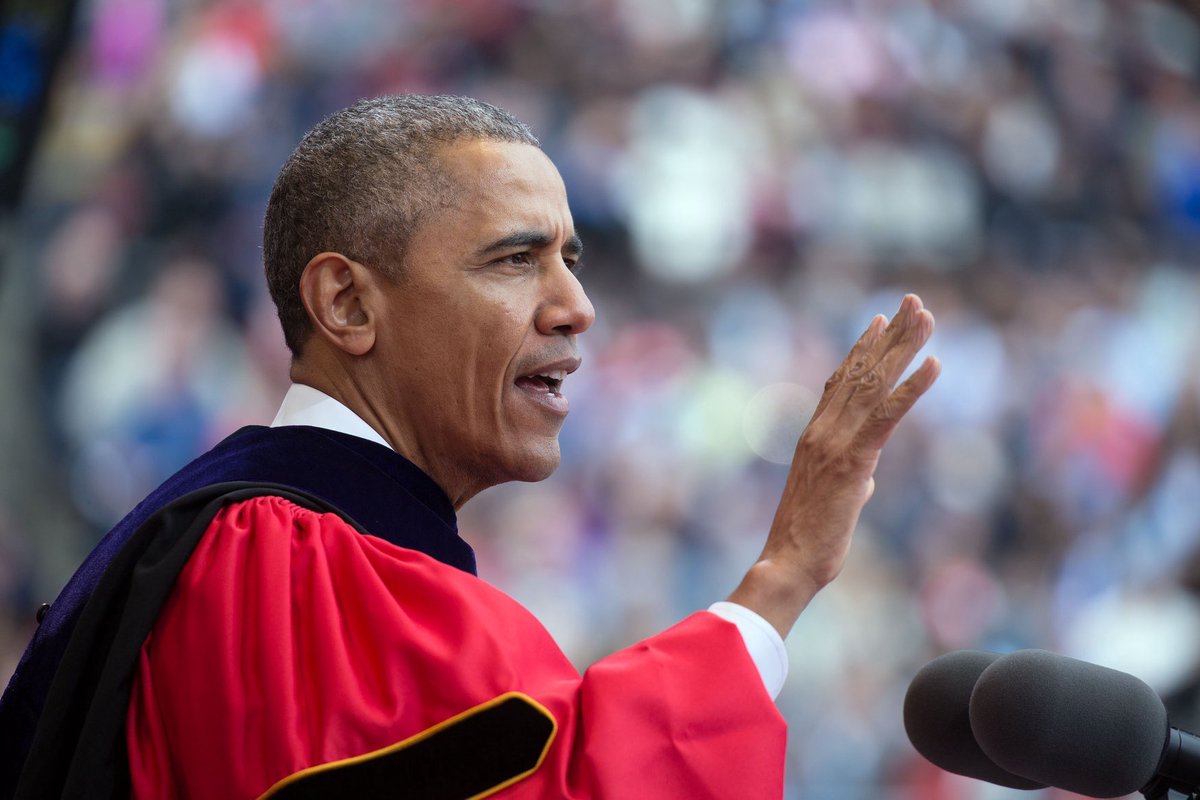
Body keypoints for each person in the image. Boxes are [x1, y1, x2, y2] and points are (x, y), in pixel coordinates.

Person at [0, 95, 939, 799]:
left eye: (571, 257)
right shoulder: (281, 559)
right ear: (348, 304)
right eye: (514, 258)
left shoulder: (259, 544)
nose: (577, 306)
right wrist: (781, 577)